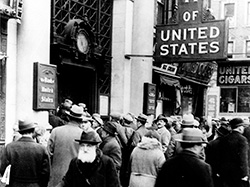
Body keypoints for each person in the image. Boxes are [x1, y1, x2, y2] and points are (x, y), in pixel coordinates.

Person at [56, 130, 120, 187]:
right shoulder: (75, 162)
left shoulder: (106, 162)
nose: (85, 149)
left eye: (89, 146)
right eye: (82, 146)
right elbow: (67, 181)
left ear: (95, 147)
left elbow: (114, 184)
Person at [0, 118, 51, 187]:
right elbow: (46, 173)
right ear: (33, 130)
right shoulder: (41, 149)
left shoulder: (10, 147)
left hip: (14, 184)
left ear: (20, 131)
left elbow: (3, 168)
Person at [47, 104, 85, 187]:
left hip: (57, 176)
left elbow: (48, 154)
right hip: (76, 177)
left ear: (68, 117)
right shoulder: (84, 134)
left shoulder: (55, 131)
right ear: (80, 120)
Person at [216, 118, 249, 187]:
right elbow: (243, 158)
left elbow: (220, 156)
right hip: (237, 174)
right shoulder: (242, 140)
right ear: (239, 128)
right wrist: (245, 174)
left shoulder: (224, 139)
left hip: (225, 173)